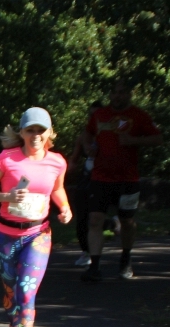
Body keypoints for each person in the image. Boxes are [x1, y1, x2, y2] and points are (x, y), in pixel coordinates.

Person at [0, 107, 71, 327]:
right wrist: (6, 196)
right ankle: (15, 323)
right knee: (12, 295)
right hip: (5, 236)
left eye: (41, 130)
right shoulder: (7, 159)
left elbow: (57, 188)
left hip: (37, 235)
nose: (36, 135)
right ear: (22, 132)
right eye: (31, 130)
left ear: (49, 133)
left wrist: (65, 207)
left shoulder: (57, 162)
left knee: (27, 293)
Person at [81, 79, 163, 281]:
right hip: (100, 177)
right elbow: (87, 133)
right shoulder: (100, 115)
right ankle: (95, 267)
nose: (118, 96)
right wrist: (88, 147)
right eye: (115, 92)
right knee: (95, 219)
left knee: (126, 221)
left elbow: (158, 139)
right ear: (110, 95)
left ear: (129, 94)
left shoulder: (139, 115)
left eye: (122, 92)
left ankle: (126, 258)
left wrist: (134, 140)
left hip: (128, 179)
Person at [68, 101, 103, 266]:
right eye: (91, 115)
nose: (93, 118)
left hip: (107, 178)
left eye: (97, 115)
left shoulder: (112, 134)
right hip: (87, 178)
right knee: (81, 216)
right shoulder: (84, 136)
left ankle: (113, 223)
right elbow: (74, 160)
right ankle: (85, 252)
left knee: (97, 216)